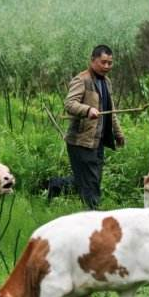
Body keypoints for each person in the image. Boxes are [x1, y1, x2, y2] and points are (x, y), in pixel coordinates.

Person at [48, 44, 125, 209]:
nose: (106, 66)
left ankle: (56, 185)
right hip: (80, 141)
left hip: (98, 141)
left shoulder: (107, 82)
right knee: (91, 183)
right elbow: (69, 104)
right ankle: (93, 215)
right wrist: (87, 109)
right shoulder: (82, 79)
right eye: (103, 62)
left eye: (110, 63)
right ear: (92, 60)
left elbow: (110, 111)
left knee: (86, 180)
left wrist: (118, 133)